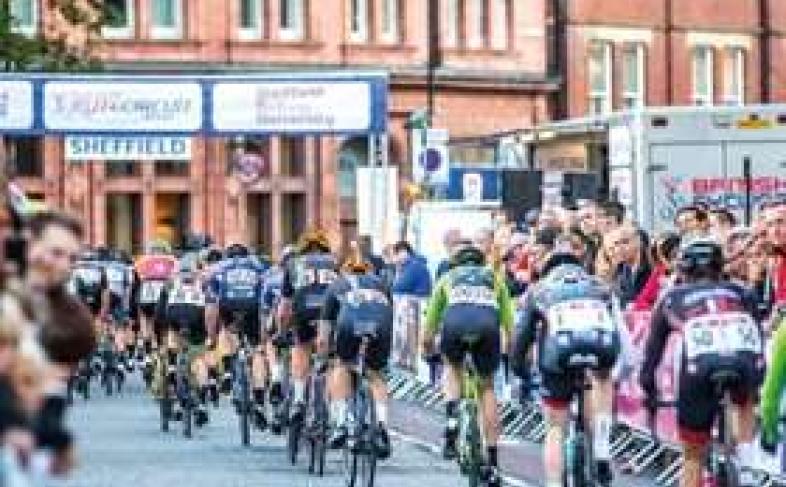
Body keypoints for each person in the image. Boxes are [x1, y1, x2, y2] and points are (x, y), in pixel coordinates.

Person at [640, 238, 764, 487]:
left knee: (692, 455)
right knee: (746, 402)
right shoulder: (742, 291)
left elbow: (652, 354)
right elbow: (756, 337)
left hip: (699, 369)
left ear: (684, 270)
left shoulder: (671, 297)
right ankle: (748, 465)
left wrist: (650, 393)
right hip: (745, 362)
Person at [512, 252, 622, 487]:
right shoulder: (600, 287)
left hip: (558, 355)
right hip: (599, 346)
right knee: (602, 380)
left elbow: (522, 337)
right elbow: (617, 330)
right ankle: (602, 450)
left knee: (555, 428)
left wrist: (520, 370)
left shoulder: (539, 290)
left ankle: (554, 483)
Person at [423, 241, 515, 487]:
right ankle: (493, 462)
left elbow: (430, 325)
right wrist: (509, 353)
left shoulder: (448, 277)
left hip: (455, 325)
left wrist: (427, 350)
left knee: (452, 367)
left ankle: (452, 419)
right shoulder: (494, 278)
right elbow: (509, 324)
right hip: (487, 328)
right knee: (487, 388)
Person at [321, 252, 393, 459]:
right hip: (380, 327)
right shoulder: (381, 285)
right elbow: (390, 316)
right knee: (376, 375)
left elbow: (324, 333)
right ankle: (380, 427)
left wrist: (323, 358)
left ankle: (342, 424)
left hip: (349, 326)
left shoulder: (336, 285)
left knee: (342, 365)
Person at [277, 229, 339, 425]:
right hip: (330, 313)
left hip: (304, 311)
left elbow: (284, 307)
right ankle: (333, 409)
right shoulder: (336, 262)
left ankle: (298, 399)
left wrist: (281, 331)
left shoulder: (293, 264)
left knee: (300, 349)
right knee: (332, 359)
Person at [208, 243, 269, 429]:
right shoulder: (258, 266)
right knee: (257, 352)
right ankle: (259, 401)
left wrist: (212, 336)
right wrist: (264, 335)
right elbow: (267, 296)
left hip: (229, 304)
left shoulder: (219, 268)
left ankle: (226, 370)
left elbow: (212, 307)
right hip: (252, 306)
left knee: (226, 332)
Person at [153, 260, 211, 427]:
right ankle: (201, 400)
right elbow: (212, 309)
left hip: (174, 313)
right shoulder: (204, 282)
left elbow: (158, 315)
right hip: (198, 315)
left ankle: (172, 367)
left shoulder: (170, 283)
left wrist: (158, 339)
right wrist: (210, 335)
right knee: (199, 358)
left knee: (172, 334)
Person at [134, 241, 178, 364]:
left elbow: (136, 278)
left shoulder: (142, 260)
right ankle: (168, 358)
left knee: (145, 319)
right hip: (165, 295)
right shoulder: (173, 260)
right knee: (167, 327)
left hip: (147, 294)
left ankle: (147, 351)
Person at [632, 232, 680, 311]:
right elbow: (640, 301)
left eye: (676, 255)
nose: (664, 260)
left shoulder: (690, 273)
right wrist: (656, 309)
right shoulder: (659, 272)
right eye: (660, 256)